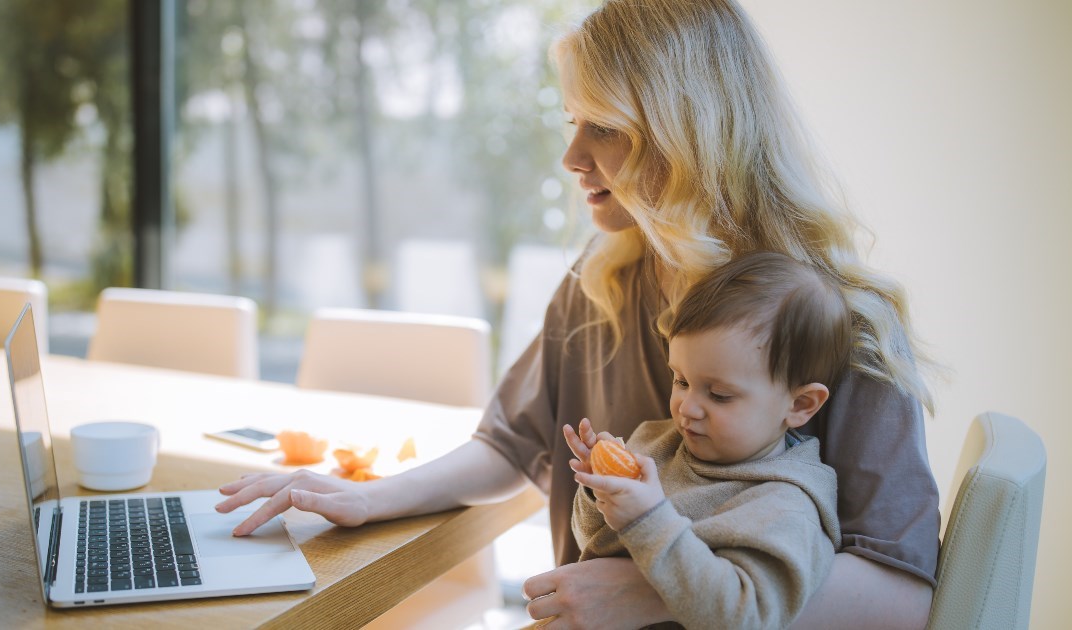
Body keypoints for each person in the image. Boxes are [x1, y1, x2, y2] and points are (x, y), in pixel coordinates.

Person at [215, 0, 941, 627]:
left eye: (604, 127)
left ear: (687, 133)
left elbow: (902, 599)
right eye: (572, 121)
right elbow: (510, 445)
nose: (571, 155)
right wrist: (371, 498)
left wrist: (658, 590)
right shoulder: (600, 282)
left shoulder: (845, 324)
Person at [565, 251, 850, 629]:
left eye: (718, 395)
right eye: (681, 381)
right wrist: (600, 492)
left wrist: (649, 521)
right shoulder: (656, 442)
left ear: (800, 404)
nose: (687, 408)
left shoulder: (785, 506)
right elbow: (594, 544)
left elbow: (744, 617)